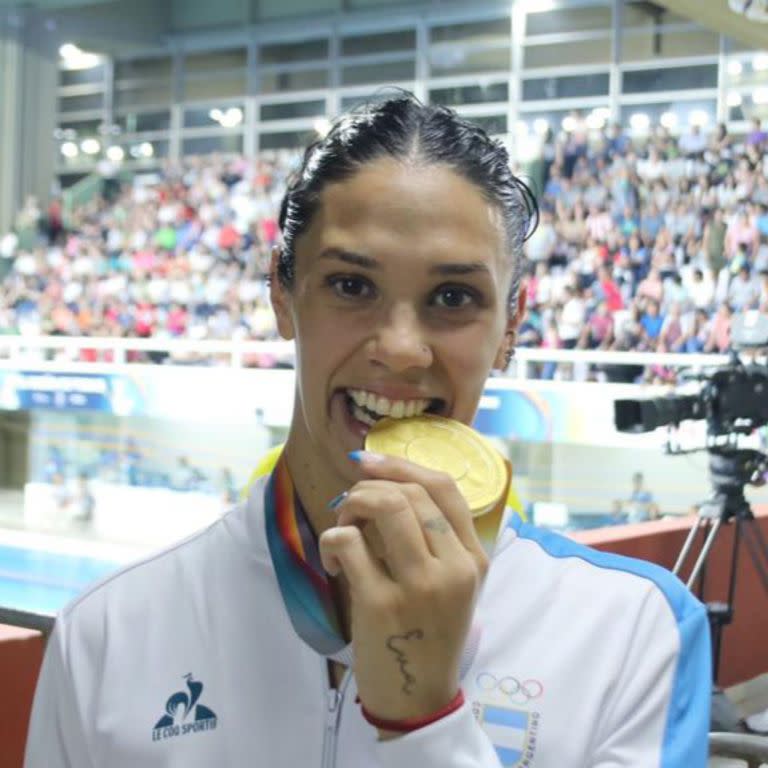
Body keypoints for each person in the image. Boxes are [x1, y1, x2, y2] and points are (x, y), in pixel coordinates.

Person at [25, 96, 710, 767]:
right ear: (282, 293)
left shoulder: (632, 632)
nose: (402, 348)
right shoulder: (107, 633)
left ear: (511, 327)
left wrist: (425, 724)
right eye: (352, 286)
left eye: (454, 298)